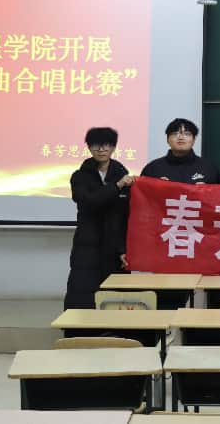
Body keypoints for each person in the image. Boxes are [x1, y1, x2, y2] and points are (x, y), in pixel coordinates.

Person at [64, 127, 135, 310]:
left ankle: (115, 328)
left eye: (107, 145)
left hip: (115, 247)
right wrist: (116, 186)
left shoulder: (124, 176)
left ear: (113, 147)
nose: (101, 149)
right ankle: (80, 328)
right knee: (83, 294)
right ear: (89, 148)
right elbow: (89, 201)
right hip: (87, 244)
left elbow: (127, 216)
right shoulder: (79, 176)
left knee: (116, 297)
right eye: (96, 145)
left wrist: (124, 249)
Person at [141, 118, 218, 184]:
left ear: (194, 140)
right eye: (175, 134)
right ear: (167, 140)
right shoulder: (153, 168)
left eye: (187, 134)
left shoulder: (208, 168)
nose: (181, 137)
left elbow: (218, 194)